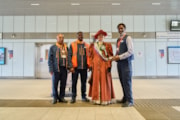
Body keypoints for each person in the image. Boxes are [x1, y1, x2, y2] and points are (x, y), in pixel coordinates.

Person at [88, 29, 115, 105]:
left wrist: (109, 65)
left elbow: (110, 56)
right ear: (97, 37)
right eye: (99, 36)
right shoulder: (93, 46)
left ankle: (105, 99)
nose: (100, 37)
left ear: (104, 37)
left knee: (105, 82)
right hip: (96, 66)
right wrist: (90, 65)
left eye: (102, 36)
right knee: (96, 81)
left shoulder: (107, 45)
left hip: (104, 66)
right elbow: (90, 56)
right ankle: (96, 99)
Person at [111, 23, 134, 107]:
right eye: (119, 28)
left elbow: (130, 51)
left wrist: (119, 57)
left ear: (125, 28)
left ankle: (130, 100)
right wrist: (115, 56)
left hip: (126, 64)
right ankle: (125, 97)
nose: (120, 30)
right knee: (122, 81)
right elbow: (118, 50)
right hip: (120, 64)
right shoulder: (118, 40)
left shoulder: (128, 38)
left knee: (127, 82)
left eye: (122, 28)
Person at [68, 31, 90, 103]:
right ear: (77, 36)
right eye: (79, 35)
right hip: (75, 68)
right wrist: (70, 66)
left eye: (82, 35)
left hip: (84, 67)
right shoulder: (72, 44)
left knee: (83, 83)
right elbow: (69, 56)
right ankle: (73, 97)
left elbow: (89, 56)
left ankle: (84, 96)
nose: (81, 36)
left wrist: (89, 65)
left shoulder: (87, 45)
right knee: (74, 83)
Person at [48, 34, 68, 104]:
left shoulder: (66, 47)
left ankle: (61, 97)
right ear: (56, 39)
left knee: (63, 84)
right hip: (56, 69)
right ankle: (55, 97)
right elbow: (50, 60)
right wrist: (51, 69)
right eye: (60, 38)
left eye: (62, 38)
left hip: (64, 69)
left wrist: (69, 67)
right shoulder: (53, 48)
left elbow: (68, 58)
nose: (61, 39)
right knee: (55, 84)